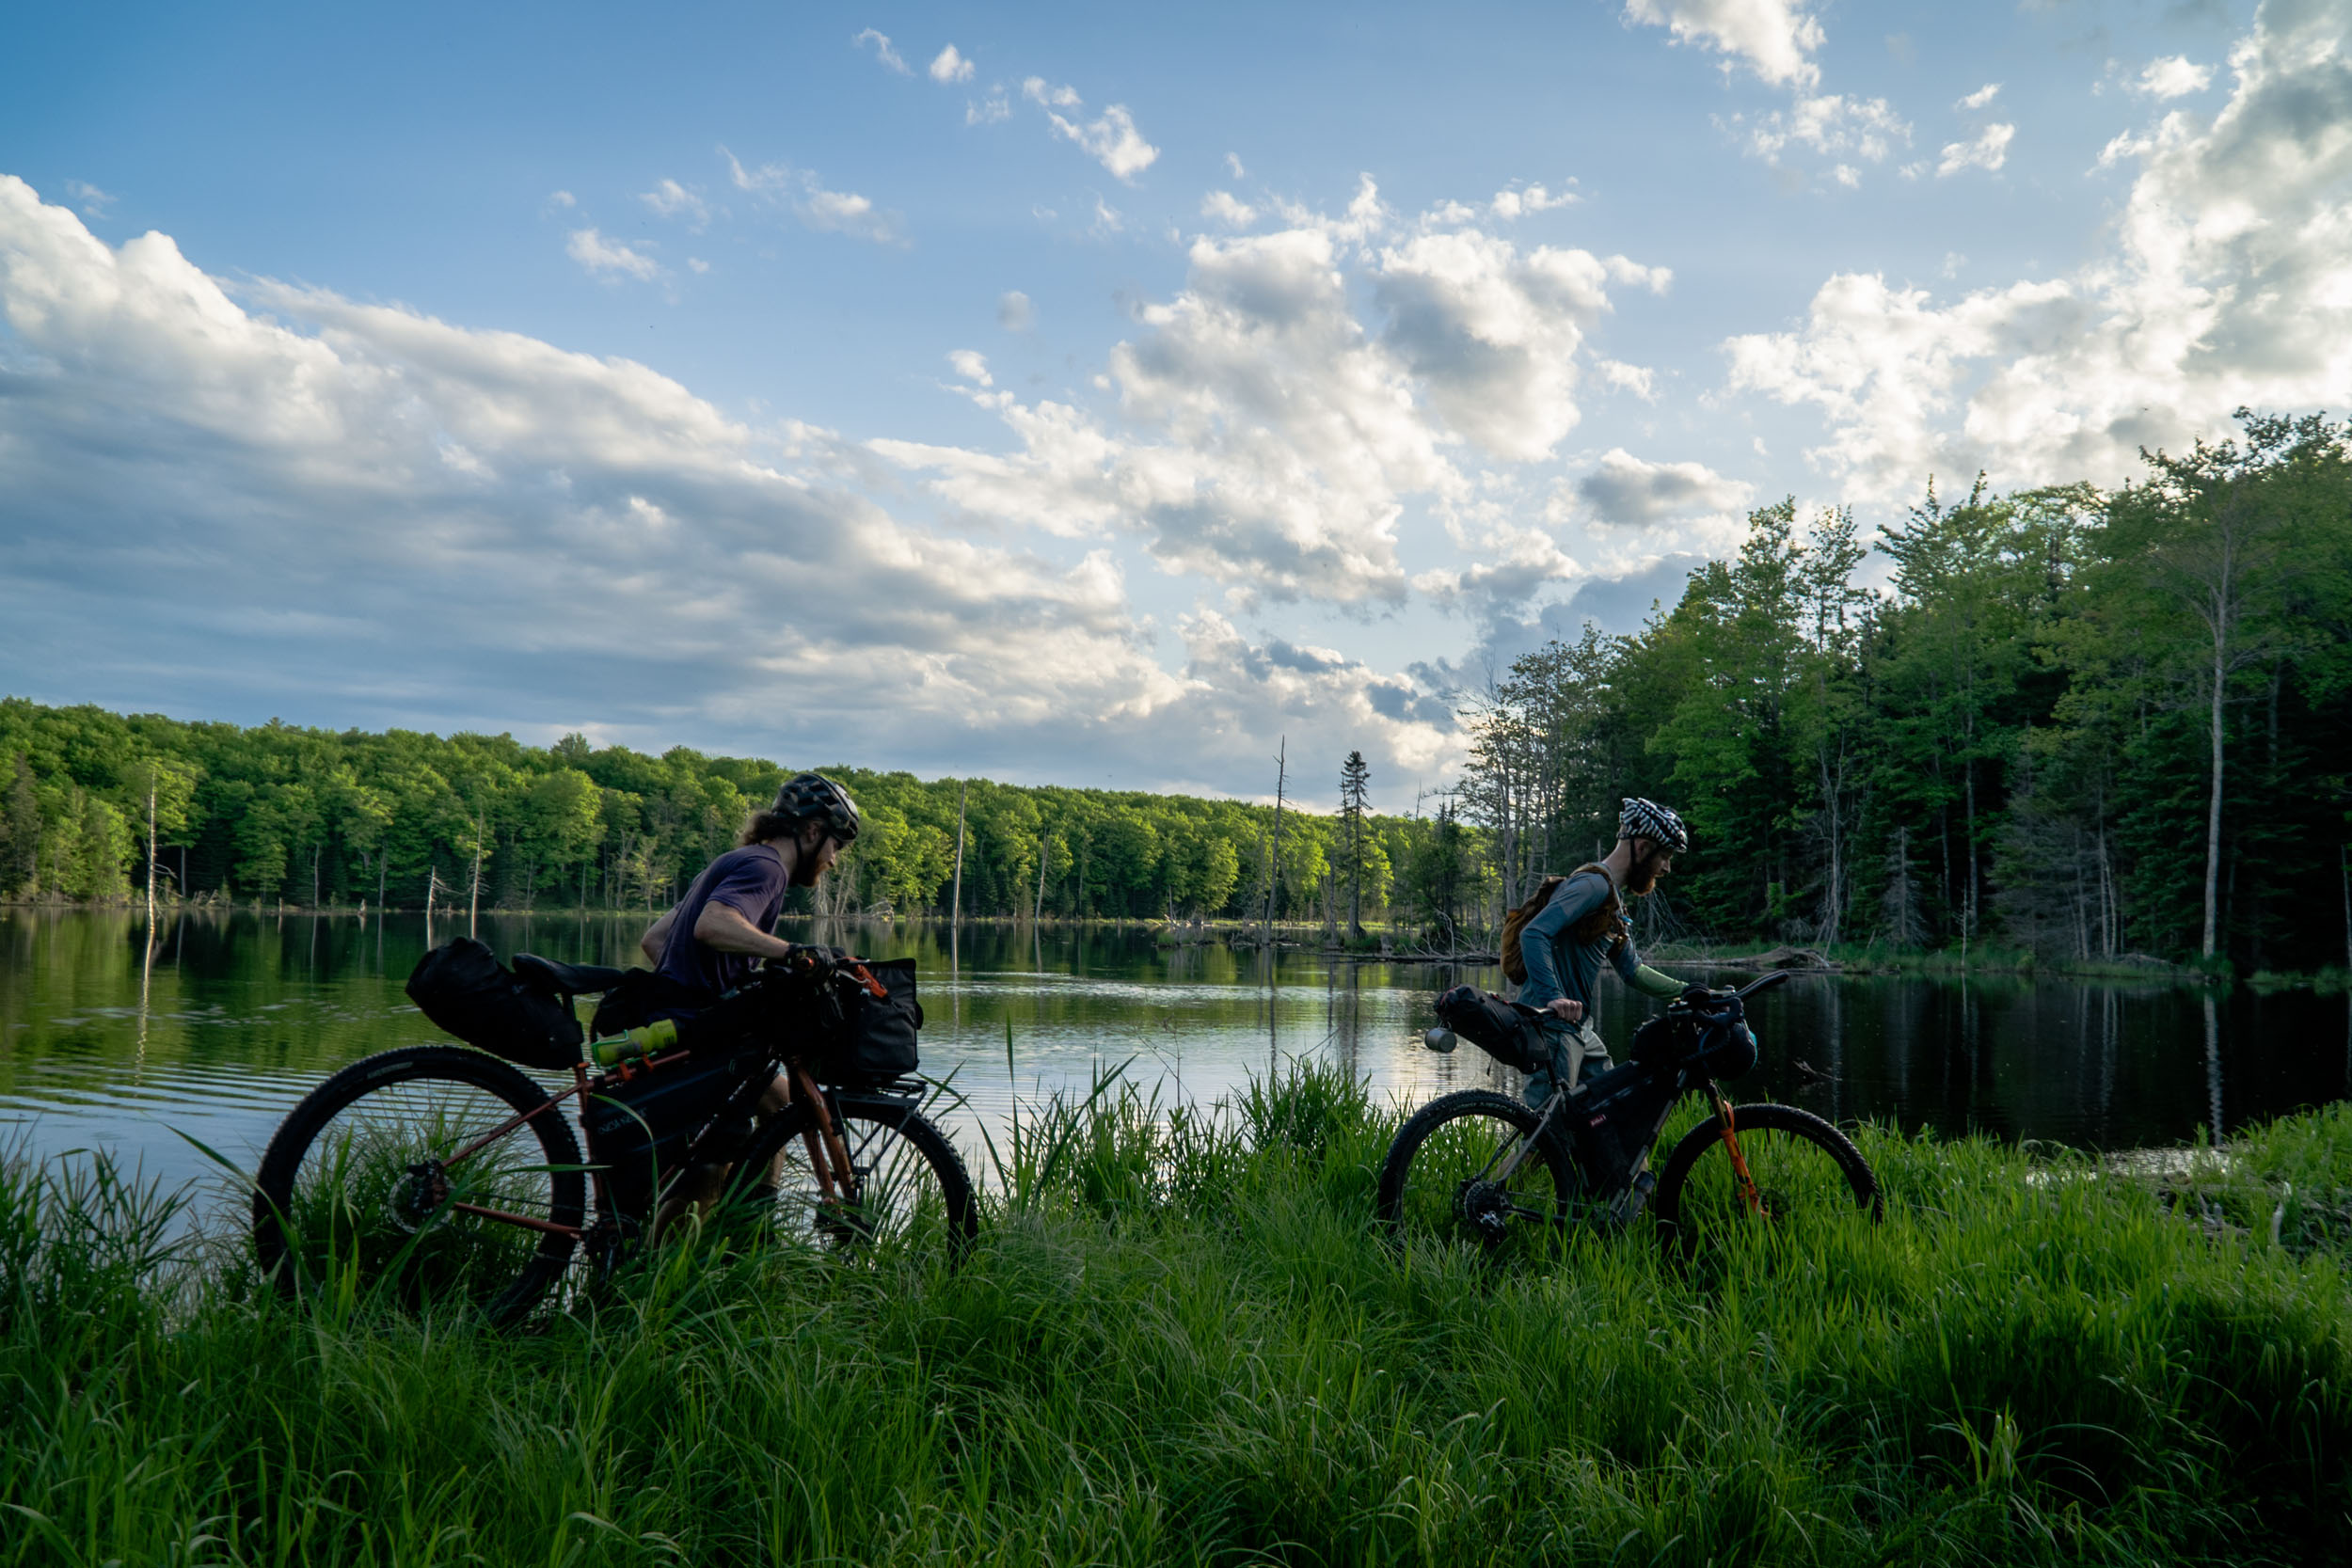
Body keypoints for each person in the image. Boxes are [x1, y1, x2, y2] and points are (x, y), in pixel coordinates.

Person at [630, 771, 861, 1228]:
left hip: (683, 1024)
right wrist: (792, 953)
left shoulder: (740, 859)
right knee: (710, 1160)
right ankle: (669, 1264)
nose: (833, 860)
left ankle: (752, 1228)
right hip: (691, 1040)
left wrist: (718, 993)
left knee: (778, 1103)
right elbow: (712, 926)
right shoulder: (768, 868)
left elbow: (655, 939)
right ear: (812, 832)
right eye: (836, 845)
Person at [1514, 797, 1693, 1107]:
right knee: (1542, 1135)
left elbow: (1632, 970)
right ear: (1642, 848)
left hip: (1579, 1030)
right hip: (1553, 1027)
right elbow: (1534, 933)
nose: (1666, 867)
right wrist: (1553, 996)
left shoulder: (1612, 899)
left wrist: (1692, 992)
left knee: (1617, 1114)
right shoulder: (1592, 887)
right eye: (1664, 856)